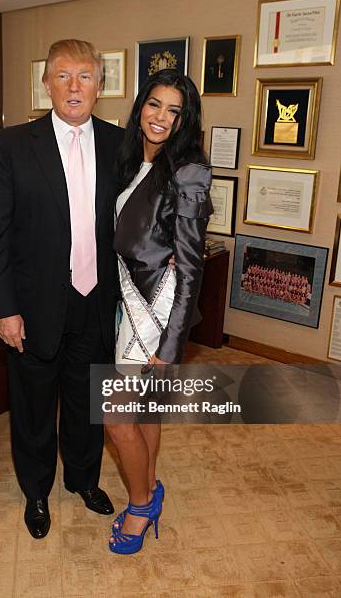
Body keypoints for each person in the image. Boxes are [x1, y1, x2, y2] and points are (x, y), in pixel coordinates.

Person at [0, 39, 124, 539]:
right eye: (62, 76)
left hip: (96, 300)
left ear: (100, 86)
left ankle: (83, 480)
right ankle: (36, 491)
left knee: (88, 403)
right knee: (34, 406)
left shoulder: (119, 143)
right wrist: (4, 309)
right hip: (35, 304)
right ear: (46, 84)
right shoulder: (10, 146)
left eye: (85, 75)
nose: (74, 86)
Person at [105, 68, 213, 555]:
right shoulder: (133, 160)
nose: (161, 117)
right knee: (145, 413)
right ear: (140, 106)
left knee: (114, 418)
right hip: (127, 302)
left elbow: (192, 267)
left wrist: (171, 345)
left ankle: (142, 504)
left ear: (185, 118)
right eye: (154, 104)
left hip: (155, 311)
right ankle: (149, 488)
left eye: (174, 110)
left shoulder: (188, 170)